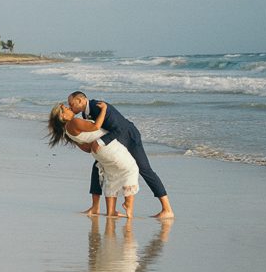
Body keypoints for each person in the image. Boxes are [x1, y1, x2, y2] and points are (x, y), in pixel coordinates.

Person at [68, 91, 175, 219]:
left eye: (71, 104)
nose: (70, 107)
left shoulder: (97, 106)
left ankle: (167, 209)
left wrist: (100, 142)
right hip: (115, 143)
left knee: (144, 169)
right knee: (97, 167)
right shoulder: (85, 113)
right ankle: (95, 207)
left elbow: (118, 129)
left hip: (129, 138)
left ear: (80, 100)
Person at [48, 102, 138, 218]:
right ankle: (128, 204)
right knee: (131, 168)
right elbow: (95, 126)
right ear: (63, 116)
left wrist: (94, 142)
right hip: (107, 147)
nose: (69, 108)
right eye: (66, 108)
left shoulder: (67, 132)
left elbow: (87, 149)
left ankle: (111, 211)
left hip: (98, 152)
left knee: (112, 176)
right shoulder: (74, 122)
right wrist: (104, 109)